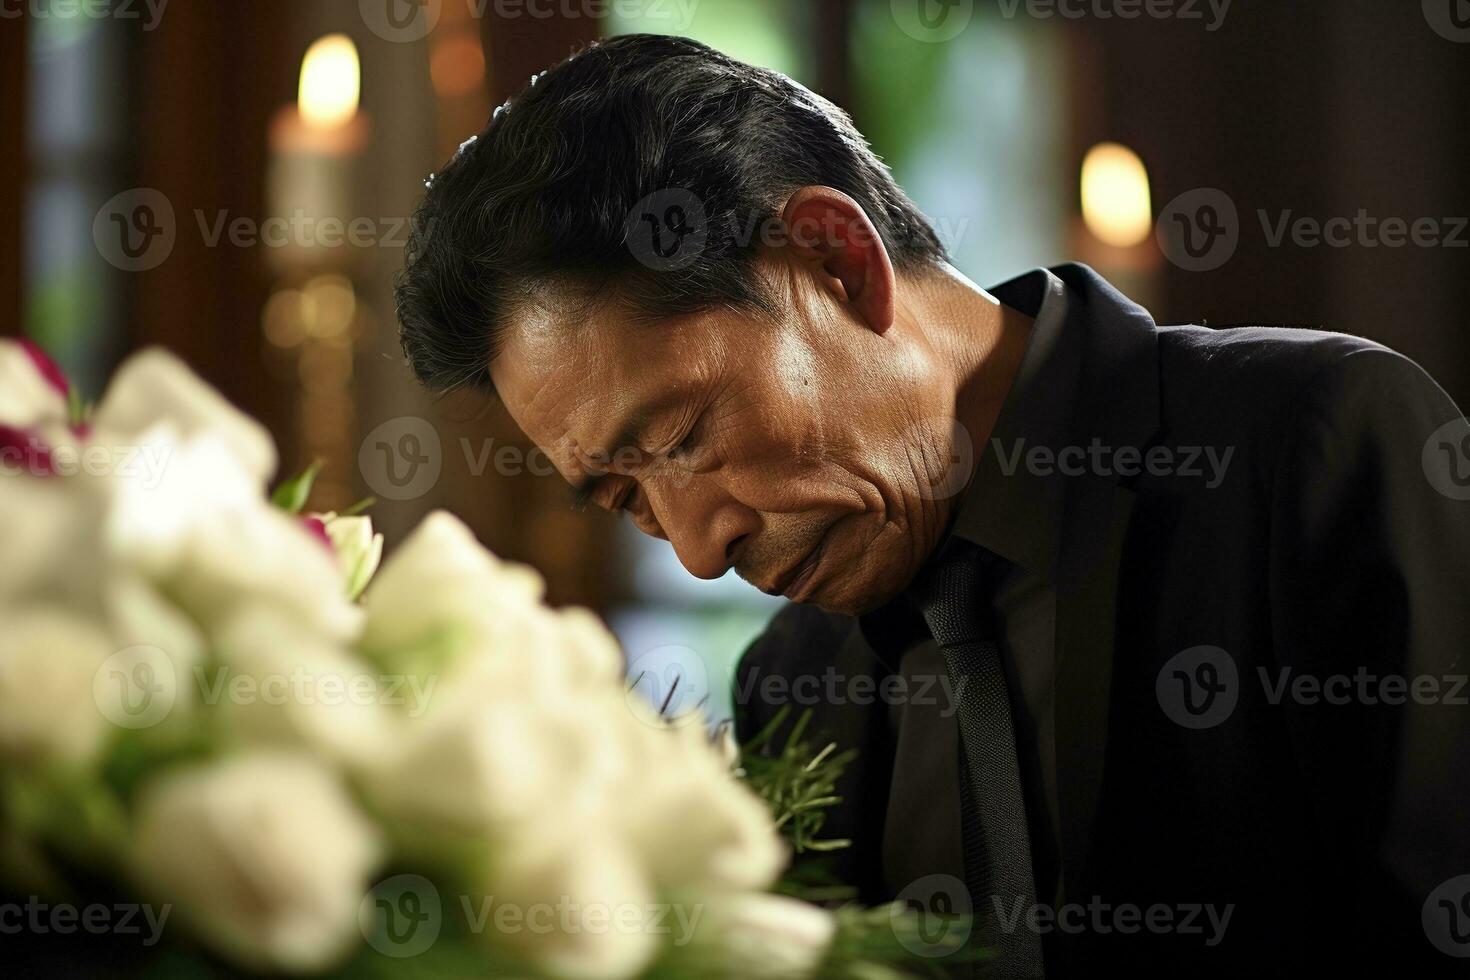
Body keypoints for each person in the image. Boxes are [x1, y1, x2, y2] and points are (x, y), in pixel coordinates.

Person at [395, 33, 1470, 977]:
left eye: (683, 436)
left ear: (836, 258)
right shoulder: (792, 679)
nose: (697, 547)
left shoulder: (1313, 444)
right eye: (627, 494)